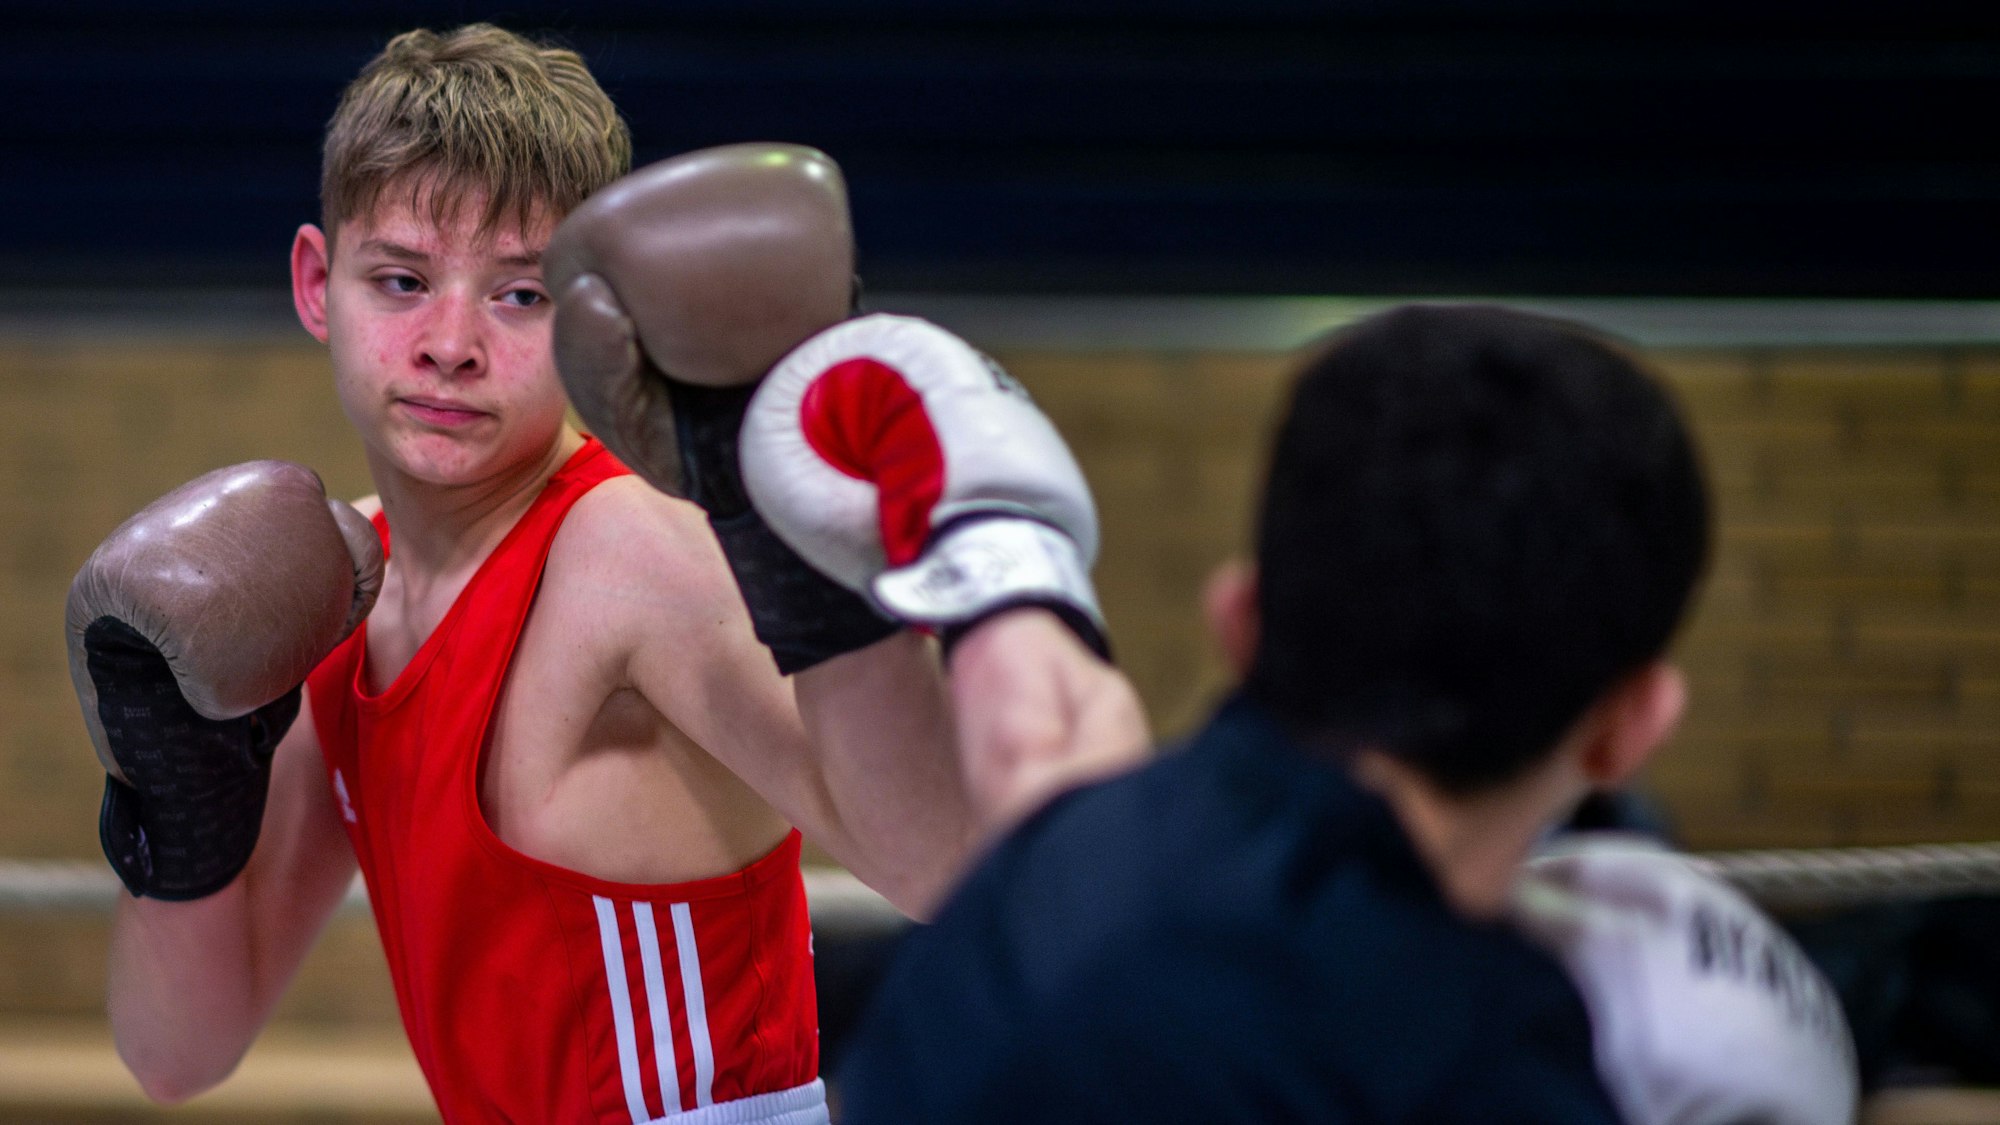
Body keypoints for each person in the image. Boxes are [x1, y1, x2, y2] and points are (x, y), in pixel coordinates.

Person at [68, 25, 982, 1124]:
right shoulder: (333, 592)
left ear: (595, 316)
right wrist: (177, 794)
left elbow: (959, 871)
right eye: (402, 279)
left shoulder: (631, 554)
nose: (450, 342)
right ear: (318, 285)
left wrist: (803, 548)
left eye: (518, 296)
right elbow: (179, 1053)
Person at [712, 303, 1860, 1122]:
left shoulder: (1064, 848)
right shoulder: (1473, 1056)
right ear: (1629, 727)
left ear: (1238, 619)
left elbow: (1031, 686)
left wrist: (742, 432)